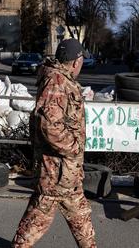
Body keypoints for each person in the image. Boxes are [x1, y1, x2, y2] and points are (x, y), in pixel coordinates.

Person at [12, 39, 96, 248]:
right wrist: (74, 147)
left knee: (81, 218)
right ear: (76, 61)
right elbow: (49, 126)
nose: (81, 64)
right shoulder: (57, 82)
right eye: (81, 60)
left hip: (66, 172)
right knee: (35, 223)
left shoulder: (62, 81)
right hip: (56, 173)